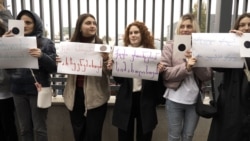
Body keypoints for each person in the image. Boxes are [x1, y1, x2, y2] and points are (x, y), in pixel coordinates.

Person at [4, 10, 57, 141]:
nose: (24, 25)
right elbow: (6, 66)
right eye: (21, 22)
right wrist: (3, 44)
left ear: (36, 24)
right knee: (24, 129)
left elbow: (54, 67)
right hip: (18, 90)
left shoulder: (45, 42)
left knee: (39, 129)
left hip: (38, 90)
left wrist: (42, 56)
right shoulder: (11, 42)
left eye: (28, 22)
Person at [108, 21, 165, 141]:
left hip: (145, 100)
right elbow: (119, 80)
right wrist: (113, 69)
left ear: (143, 34)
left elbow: (156, 81)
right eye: (130, 33)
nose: (133, 35)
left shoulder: (152, 53)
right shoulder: (122, 53)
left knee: (144, 136)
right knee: (124, 136)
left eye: (136, 32)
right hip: (126, 99)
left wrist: (160, 72)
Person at [161, 13, 211, 141]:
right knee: (174, 136)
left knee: (188, 136)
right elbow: (166, 74)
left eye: (189, 26)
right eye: (182, 26)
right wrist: (186, 67)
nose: (185, 29)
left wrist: (195, 63)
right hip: (174, 99)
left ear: (194, 29)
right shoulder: (170, 46)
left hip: (194, 101)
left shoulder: (202, 47)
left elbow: (207, 76)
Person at [62, 13, 110, 141]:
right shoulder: (69, 46)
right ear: (80, 27)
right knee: (78, 132)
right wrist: (59, 62)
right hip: (74, 96)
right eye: (88, 23)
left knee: (94, 134)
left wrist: (106, 60)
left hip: (96, 97)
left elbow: (110, 73)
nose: (92, 26)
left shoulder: (103, 46)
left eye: (94, 23)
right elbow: (63, 68)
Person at [207, 13, 250, 141]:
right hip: (230, 103)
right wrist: (227, 44)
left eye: (249, 24)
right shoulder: (232, 45)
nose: (246, 28)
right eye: (242, 25)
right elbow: (216, 65)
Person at [0, 3, 18, 141]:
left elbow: (15, 31)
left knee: (9, 128)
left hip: (6, 92)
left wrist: (3, 10)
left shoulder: (6, 32)